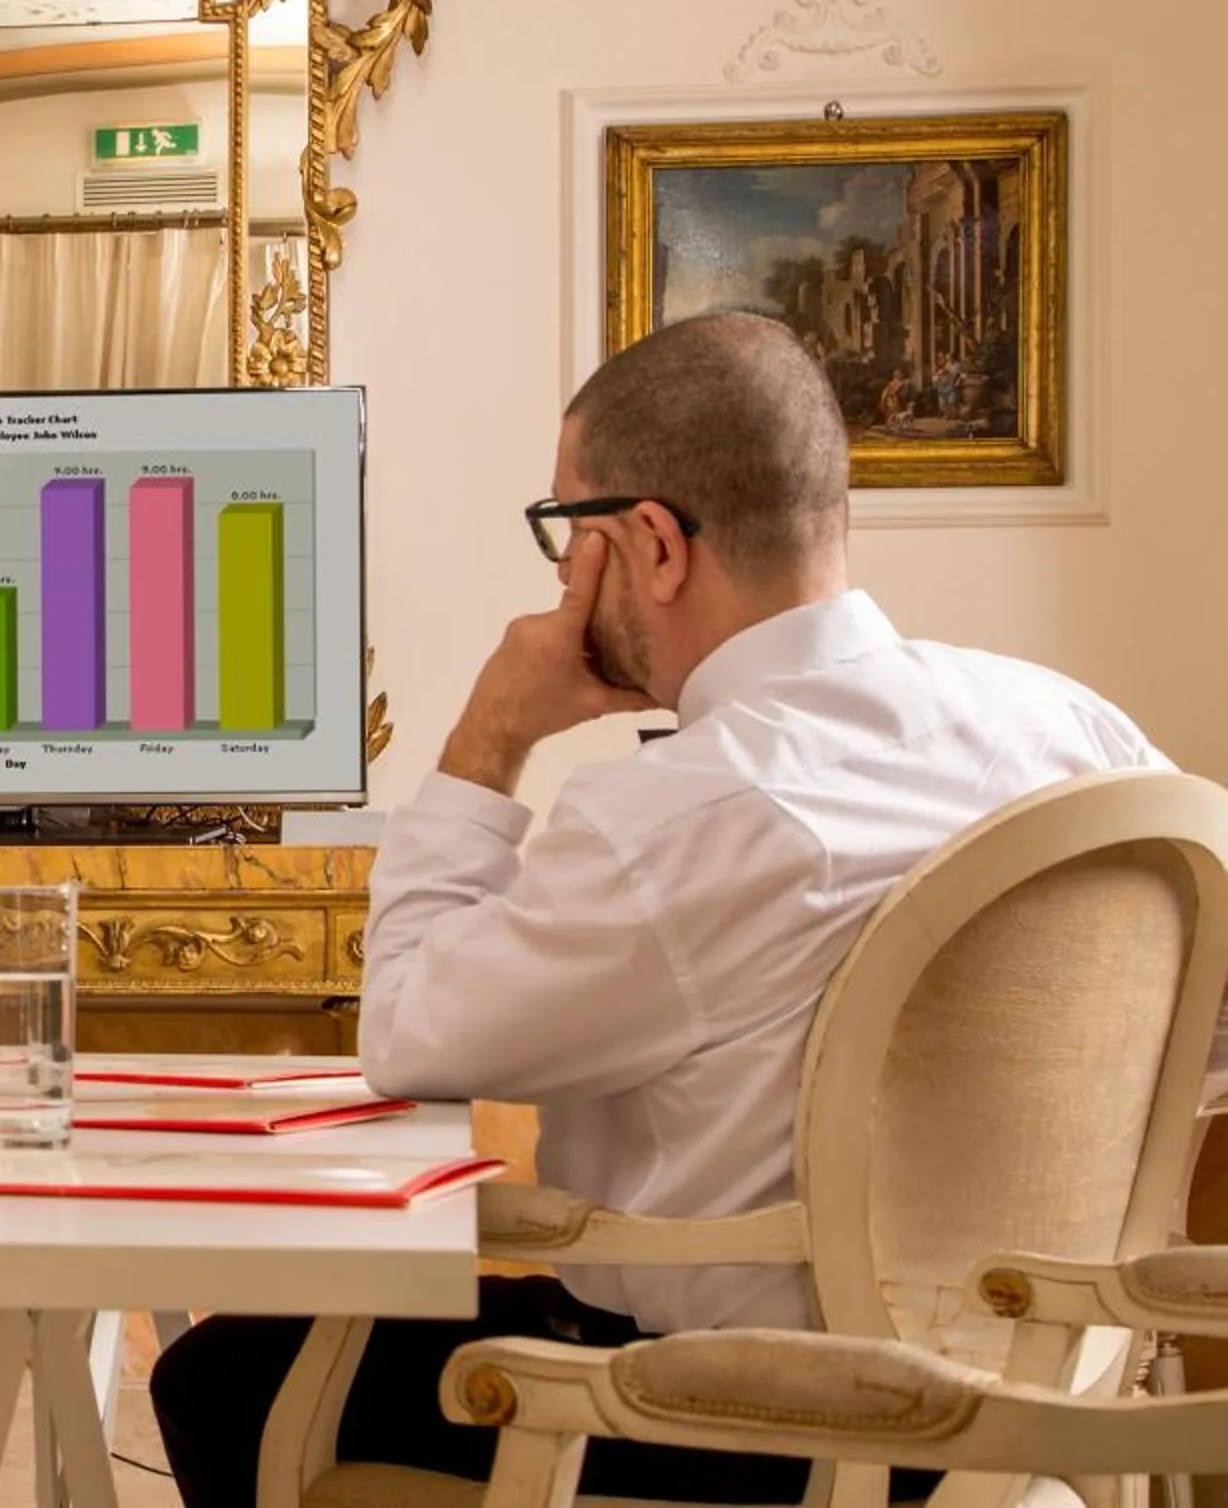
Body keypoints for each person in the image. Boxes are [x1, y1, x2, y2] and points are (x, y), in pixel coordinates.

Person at [149, 312, 1167, 1508]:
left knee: (220, 1373)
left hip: (742, 1423)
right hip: (1037, 1410)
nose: (563, 575)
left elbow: (409, 1033)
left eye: (565, 533)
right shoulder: (1074, 731)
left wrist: (492, 735)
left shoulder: (680, 811)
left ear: (653, 543)